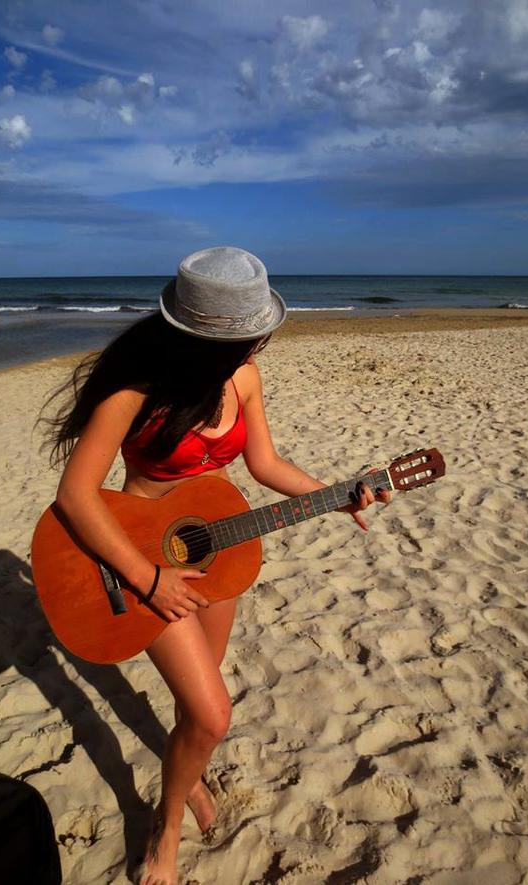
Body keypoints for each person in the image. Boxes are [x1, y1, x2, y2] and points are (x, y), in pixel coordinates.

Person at [42, 246, 390, 885]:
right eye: (247, 336)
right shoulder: (134, 389)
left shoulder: (245, 377)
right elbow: (75, 495)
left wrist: (338, 493)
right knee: (212, 713)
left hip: (215, 552)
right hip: (136, 563)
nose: (258, 347)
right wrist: (147, 578)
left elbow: (264, 464)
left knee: (193, 705)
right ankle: (166, 829)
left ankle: (187, 778)